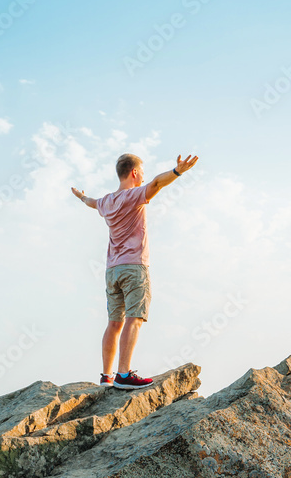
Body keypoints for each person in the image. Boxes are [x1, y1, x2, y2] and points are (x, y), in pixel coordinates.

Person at [70, 152, 199, 389]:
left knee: (114, 322)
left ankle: (106, 376)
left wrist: (81, 196)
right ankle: (124, 375)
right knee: (134, 318)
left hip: (112, 270)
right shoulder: (134, 195)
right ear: (135, 172)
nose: (143, 177)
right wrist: (178, 171)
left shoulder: (106, 201)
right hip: (134, 266)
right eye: (142, 173)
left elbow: (91, 202)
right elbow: (158, 183)